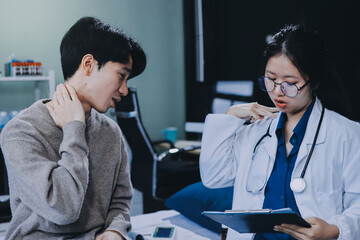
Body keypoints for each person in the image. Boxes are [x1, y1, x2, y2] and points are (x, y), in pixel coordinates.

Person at [200, 24, 360, 240]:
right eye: (271, 79)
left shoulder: (348, 134)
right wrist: (229, 116)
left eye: (290, 84)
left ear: (314, 82)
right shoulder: (255, 131)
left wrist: (334, 229)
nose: (277, 92)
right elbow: (214, 177)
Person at [0, 16, 146, 240]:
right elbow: (63, 209)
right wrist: (74, 128)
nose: (125, 90)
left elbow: (121, 201)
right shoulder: (20, 132)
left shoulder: (111, 131)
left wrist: (115, 231)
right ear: (88, 65)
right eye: (121, 76)